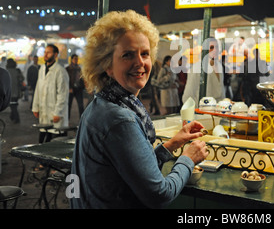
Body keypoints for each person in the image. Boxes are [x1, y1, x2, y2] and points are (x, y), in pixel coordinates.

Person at [70, 10, 208, 209]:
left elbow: (132, 169)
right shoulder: (120, 119)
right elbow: (160, 194)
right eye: (128, 55)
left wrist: (171, 145)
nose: (140, 63)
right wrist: (188, 158)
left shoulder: (100, 105)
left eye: (145, 54)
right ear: (107, 65)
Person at [32, 44, 70, 143]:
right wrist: (35, 107)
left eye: (48, 52)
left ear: (55, 54)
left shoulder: (60, 71)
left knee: (56, 143)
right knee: (42, 142)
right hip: (45, 113)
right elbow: (38, 89)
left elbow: (63, 94)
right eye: (45, 52)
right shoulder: (41, 69)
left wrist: (58, 112)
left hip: (56, 115)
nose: (46, 54)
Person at [182, 38, 225, 107]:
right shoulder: (197, 67)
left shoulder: (219, 67)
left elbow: (221, 91)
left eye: (216, 47)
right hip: (203, 111)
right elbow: (188, 96)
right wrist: (196, 112)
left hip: (218, 110)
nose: (215, 50)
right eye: (211, 48)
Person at [66, 54, 85, 119]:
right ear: (71, 59)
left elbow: (82, 79)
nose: (76, 60)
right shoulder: (68, 69)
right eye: (75, 59)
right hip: (71, 89)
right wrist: (69, 88)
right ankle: (67, 120)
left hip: (78, 89)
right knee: (68, 105)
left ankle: (82, 120)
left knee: (81, 106)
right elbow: (66, 79)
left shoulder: (79, 69)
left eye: (77, 59)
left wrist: (83, 87)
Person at [6, 58, 24, 124]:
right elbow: (22, 78)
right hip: (17, 92)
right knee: (14, 105)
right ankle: (13, 116)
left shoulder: (6, 71)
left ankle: (16, 118)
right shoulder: (17, 71)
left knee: (13, 106)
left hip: (9, 92)